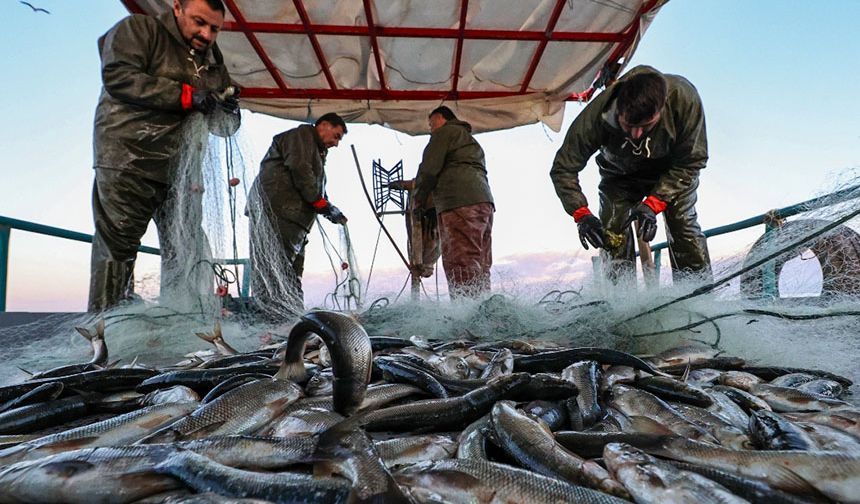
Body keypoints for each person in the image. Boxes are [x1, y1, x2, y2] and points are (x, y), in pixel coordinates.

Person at [88, 0, 241, 312]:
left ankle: (180, 325)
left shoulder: (212, 59)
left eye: (214, 28)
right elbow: (118, 76)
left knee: (184, 250)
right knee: (117, 247)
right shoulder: (141, 29)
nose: (206, 34)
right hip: (130, 159)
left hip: (183, 172)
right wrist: (187, 95)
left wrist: (229, 110)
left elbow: (225, 127)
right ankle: (102, 335)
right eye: (199, 22)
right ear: (177, 8)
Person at [550, 65, 712, 282]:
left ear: (661, 109)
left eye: (645, 126)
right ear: (618, 109)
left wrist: (653, 203)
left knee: (683, 226)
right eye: (628, 125)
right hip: (620, 176)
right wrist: (582, 214)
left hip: (672, 173)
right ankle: (621, 304)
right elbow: (563, 168)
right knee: (612, 231)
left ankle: (698, 297)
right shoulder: (598, 114)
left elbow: (693, 161)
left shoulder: (685, 99)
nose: (636, 135)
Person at [248, 113, 348, 311]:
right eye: (336, 136)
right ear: (324, 125)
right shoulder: (301, 136)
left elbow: (314, 185)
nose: (336, 144)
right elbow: (300, 169)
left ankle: (290, 318)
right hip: (278, 213)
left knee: (290, 273)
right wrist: (320, 203)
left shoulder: (316, 152)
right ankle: (272, 319)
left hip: (295, 220)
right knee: (273, 268)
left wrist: (328, 208)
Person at [409, 106, 495, 297]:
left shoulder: (445, 133)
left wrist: (419, 200)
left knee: (460, 259)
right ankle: (483, 308)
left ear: (440, 118)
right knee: (480, 261)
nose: (431, 129)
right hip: (483, 203)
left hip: (458, 203)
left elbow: (429, 170)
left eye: (431, 124)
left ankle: (465, 315)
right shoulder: (470, 141)